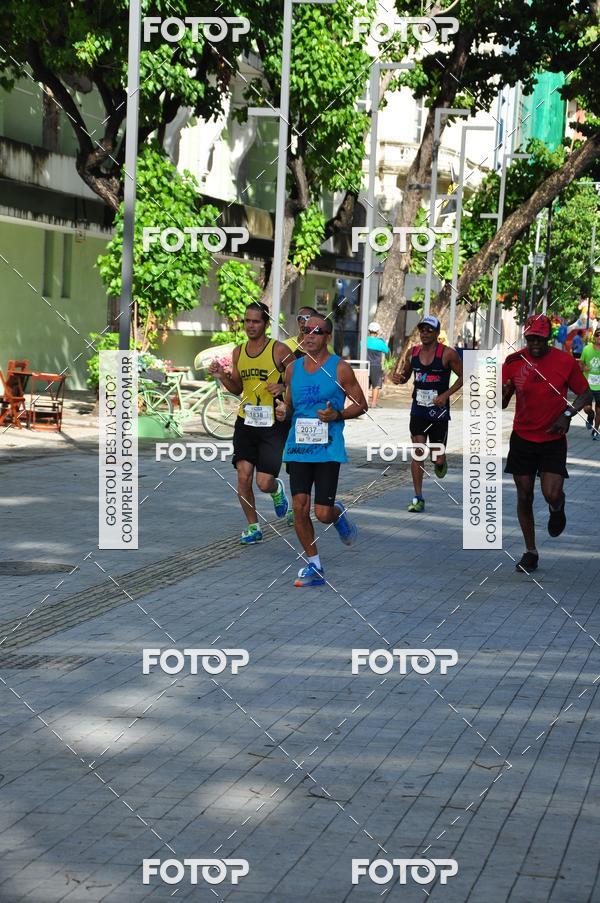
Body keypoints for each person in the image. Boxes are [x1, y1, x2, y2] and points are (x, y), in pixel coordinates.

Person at [275, 315, 368, 587]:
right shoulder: (292, 369)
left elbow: (361, 404)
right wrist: (283, 411)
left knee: (322, 513)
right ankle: (314, 564)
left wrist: (337, 414)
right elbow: (290, 405)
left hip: (328, 449)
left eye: (317, 332)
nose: (310, 336)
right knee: (299, 507)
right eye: (305, 331)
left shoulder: (340, 368)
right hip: (298, 448)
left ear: (328, 336)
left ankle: (336, 513)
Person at [502, 314, 592, 574]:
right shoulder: (513, 361)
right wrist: (505, 392)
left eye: (540, 339)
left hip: (553, 437)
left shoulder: (564, 361)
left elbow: (584, 392)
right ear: (526, 338)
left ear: (548, 338)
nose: (535, 344)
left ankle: (557, 507)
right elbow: (500, 402)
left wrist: (567, 416)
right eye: (531, 339)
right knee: (524, 495)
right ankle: (530, 552)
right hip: (522, 438)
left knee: (551, 492)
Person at [208, 302, 292, 544]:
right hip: (246, 422)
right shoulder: (239, 352)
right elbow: (237, 388)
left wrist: (284, 387)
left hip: (273, 425)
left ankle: (276, 490)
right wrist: (222, 376)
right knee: (243, 477)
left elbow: (300, 379)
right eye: (247, 321)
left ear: (266, 324)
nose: (250, 325)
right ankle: (253, 527)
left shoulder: (279, 350)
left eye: (256, 321)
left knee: (263, 482)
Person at [392, 315, 463, 512]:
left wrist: (446, 395)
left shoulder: (448, 354)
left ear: (437, 333)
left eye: (429, 330)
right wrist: (399, 377)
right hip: (418, 410)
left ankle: (441, 461)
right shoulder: (413, 352)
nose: (424, 333)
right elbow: (406, 375)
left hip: (438, 411)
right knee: (418, 452)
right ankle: (418, 497)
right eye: (422, 329)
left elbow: (465, 376)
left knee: (437, 458)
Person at [581, 326, 600, 439]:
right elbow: (581, 363)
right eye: (598, 335)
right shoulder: (587, 349)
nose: (599, 338)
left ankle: (595, 431)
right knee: (586, 407)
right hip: (587, 384)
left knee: (599, 409)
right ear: (594, 337)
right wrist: (583, 368)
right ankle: (590, 415)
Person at [366, 322, 390, 408]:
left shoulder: (364, 340)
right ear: (377, 332)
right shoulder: (380, 343)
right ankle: (373, 404)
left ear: (369, 330)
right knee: (375, 385)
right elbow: (387, 351)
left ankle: (364, 402)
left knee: (365, 385)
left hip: (365, 365)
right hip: (376, 366)